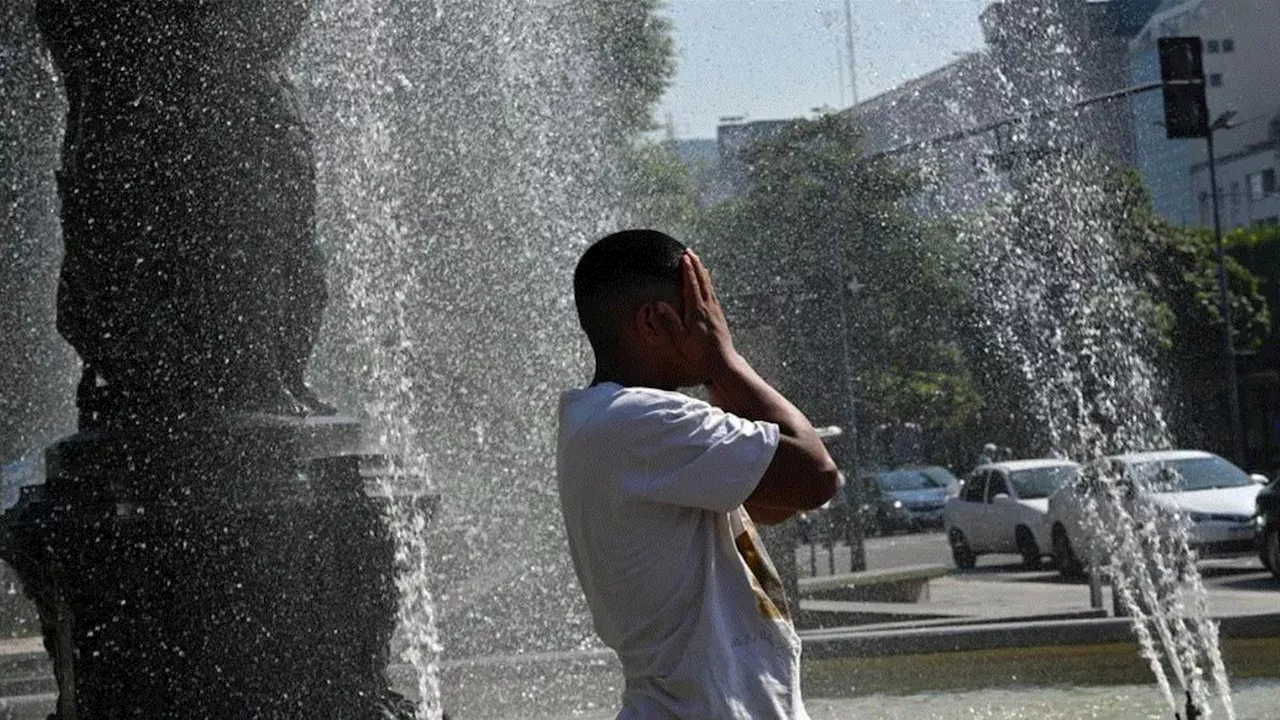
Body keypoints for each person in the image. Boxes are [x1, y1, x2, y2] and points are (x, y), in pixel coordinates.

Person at [556, 229, 840, 719]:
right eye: (699, 307)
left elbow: (775, 503)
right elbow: (816, 476)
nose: (713, 320)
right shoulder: (638, 420)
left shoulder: (608, 422)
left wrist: (715, 371)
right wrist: (722, 358)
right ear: (653, 321)